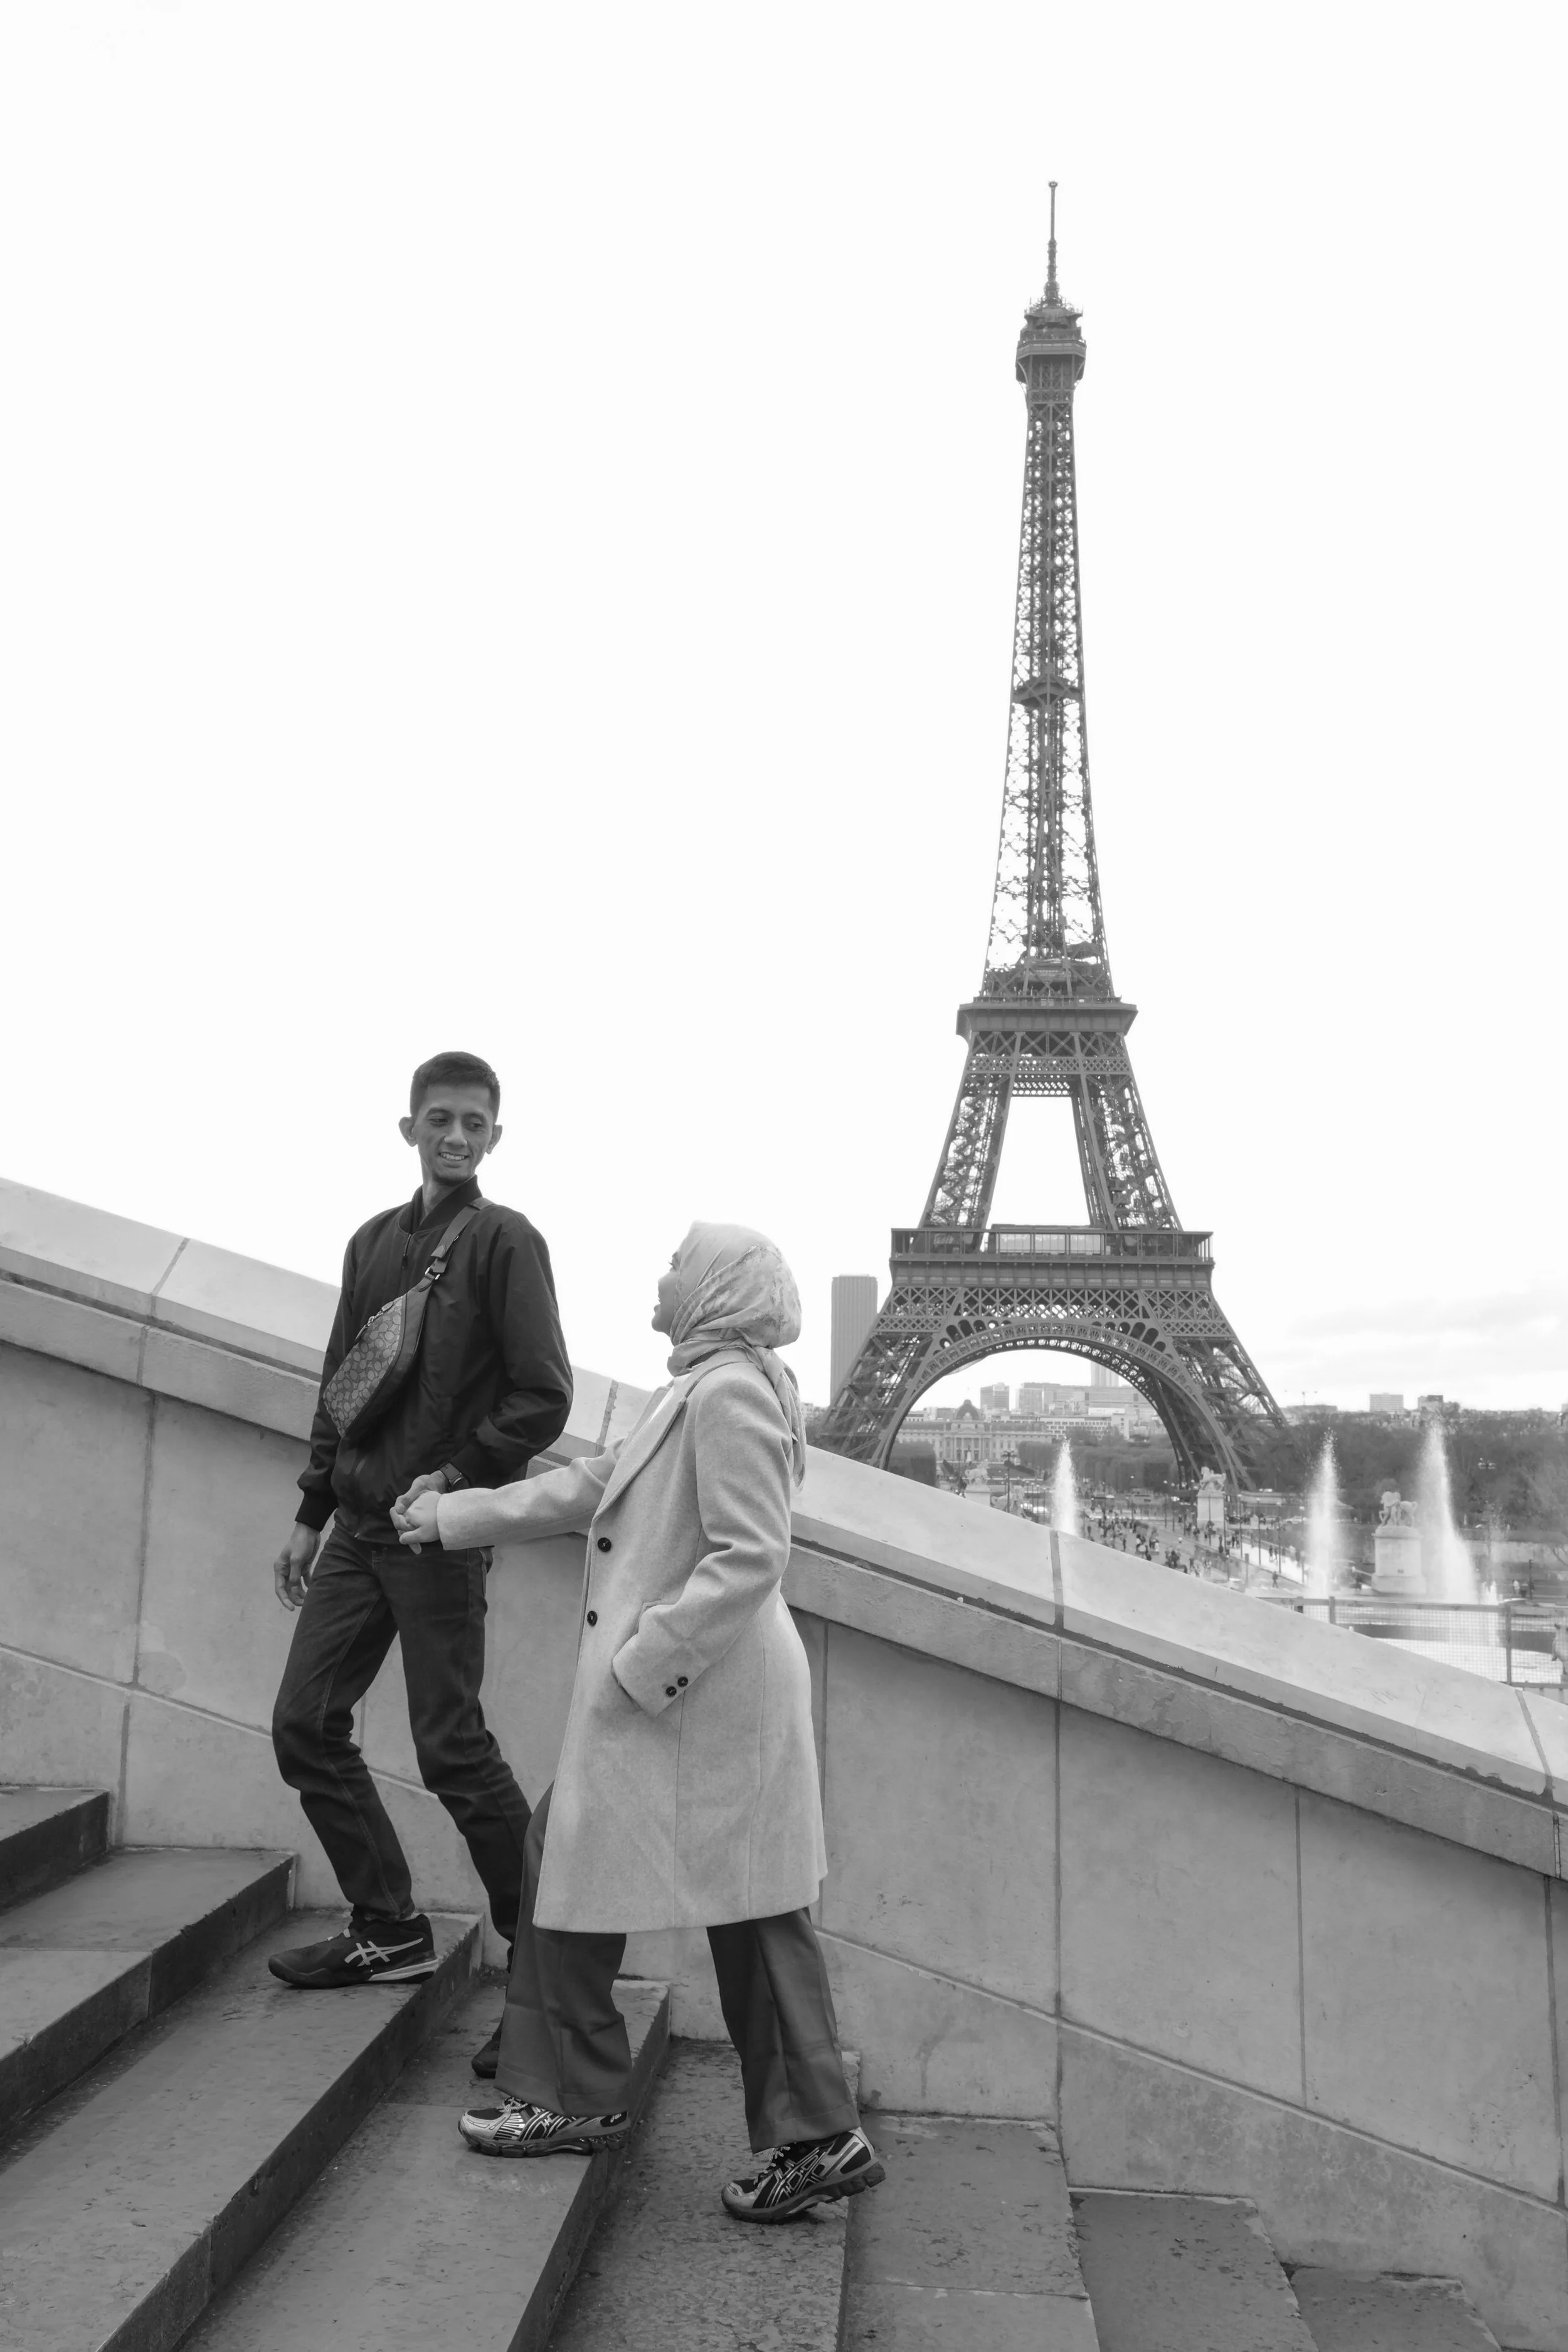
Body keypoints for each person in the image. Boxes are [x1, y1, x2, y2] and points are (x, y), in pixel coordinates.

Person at [396, 1222, 885, 2224]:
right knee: (722, 1893)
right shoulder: (710, 1385)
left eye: (677, 1260)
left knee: (625, 1870)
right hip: (703, 1698)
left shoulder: (732, 1393)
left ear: (716, 1286)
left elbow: (753, 1554)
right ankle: (804, 2127)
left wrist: (638, 1668)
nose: (662, 1273)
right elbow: (593, 1485)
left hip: (692, 1695)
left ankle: (578, 2096)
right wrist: (454, 1517)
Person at [267, 1051, 573, 1994]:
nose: (455, 1137)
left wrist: (454, 1478)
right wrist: (312, 1512)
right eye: (439, 1119)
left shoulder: (507, 1242)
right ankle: (388, 1924)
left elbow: (543, 1394)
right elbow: (343, 1386)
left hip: (437, 1536)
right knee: (305, 1725)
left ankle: (546, 1969)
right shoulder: (370, 1244)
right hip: (360, 1528)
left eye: (473, 1124)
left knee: (453, 1749)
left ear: (494, 1136)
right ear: (409, 1127)